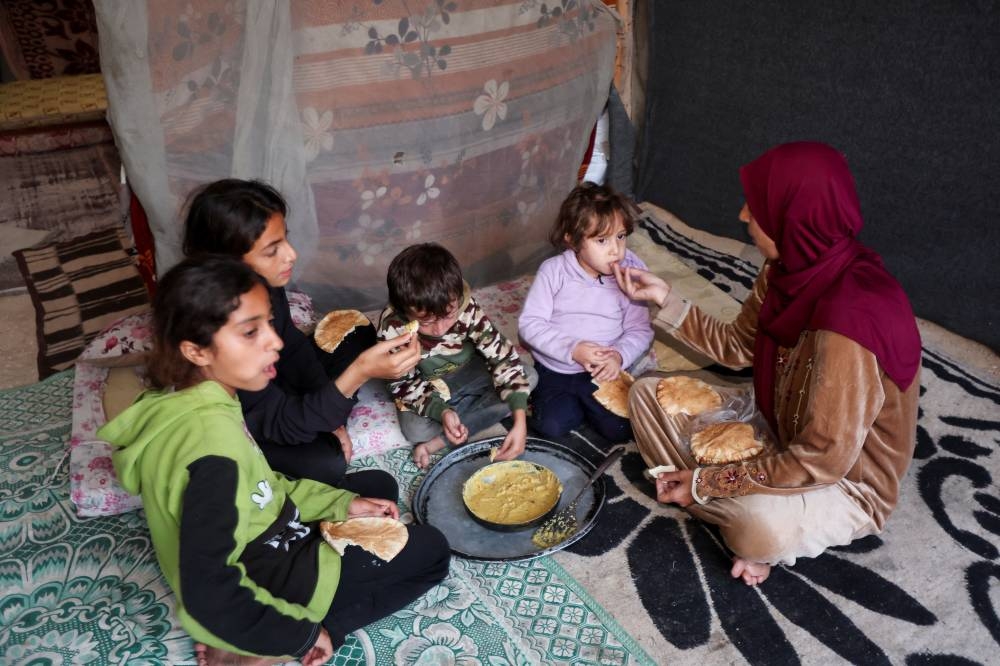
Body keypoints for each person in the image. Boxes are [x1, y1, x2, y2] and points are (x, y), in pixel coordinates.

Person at [98, 256, 450, 666]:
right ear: (195, 350)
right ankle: (273, 643)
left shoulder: (191, 401)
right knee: (433, 551)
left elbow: (261, 486)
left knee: (378, 488)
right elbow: (209, 587)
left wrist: (341, 505)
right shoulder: (213, 454)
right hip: (265, 574)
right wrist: (298, 636)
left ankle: (257, 628)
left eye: (268, 323)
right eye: (250, 332)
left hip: (261, 529)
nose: (275, 341)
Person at [616, 142, 921, 586]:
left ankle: (727, 511)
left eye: (757, 208)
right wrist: (665, 297)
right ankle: (715, 494)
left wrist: (708, 484)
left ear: (792, 219)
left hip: (840, 482)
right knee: (644, 394)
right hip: (774, 423)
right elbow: (738, 346)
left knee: (754, 529)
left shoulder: (849, 322)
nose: (742, 215)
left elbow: (822, 459)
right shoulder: (785, 270)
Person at [183, 179, 421, 489]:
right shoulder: (220, 331)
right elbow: (272, 414)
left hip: (275, 388)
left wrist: (332, 416)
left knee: (356, 332)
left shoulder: (261, 287)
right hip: (256, 412)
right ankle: (317, 414)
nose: (291, 255)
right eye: (272, 251)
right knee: (327, 463)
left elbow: (291, 346)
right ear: (229, 264)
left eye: (286, 240)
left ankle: (319, 412)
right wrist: (357, 375)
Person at [377, 242, 536, 469]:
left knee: (528, 377)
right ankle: (464, 414)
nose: (440, 329)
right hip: (427, 383)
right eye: (426, 322)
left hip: (470, 371)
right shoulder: (392, 328)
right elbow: (402, 383)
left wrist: (520, 423)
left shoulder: (465, 306)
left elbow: (501, 356)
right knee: (414, 430)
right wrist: (441, 412)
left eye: (449, 316)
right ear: (405, 311)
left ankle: (439, 440)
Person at [518, 182, 653, 442]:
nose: (615, 249)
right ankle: (574, 405)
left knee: (622, 431)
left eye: (621, 236)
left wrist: (618, 357)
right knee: (551, 427)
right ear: (572, 238)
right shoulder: (553, 271)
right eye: (602, 240)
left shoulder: (630, 274)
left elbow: (640, 329)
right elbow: (530, 324)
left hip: (603, 371)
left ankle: (587, 406)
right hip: (555, 366)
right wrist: (573, 349)